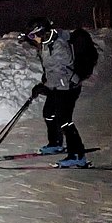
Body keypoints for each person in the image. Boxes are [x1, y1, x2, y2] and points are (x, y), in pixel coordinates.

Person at [25, 17, 88, 167]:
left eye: (33, 35)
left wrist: (45, 86)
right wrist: (44, 84)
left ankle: (78, 155)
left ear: (41, 32)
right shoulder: (46, 44)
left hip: (68, 87)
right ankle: (56, 143)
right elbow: (51, 71)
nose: (32, 39)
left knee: (64, 120)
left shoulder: (58, 46)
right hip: (58, 85)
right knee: (49, 113)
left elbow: (59, 72)